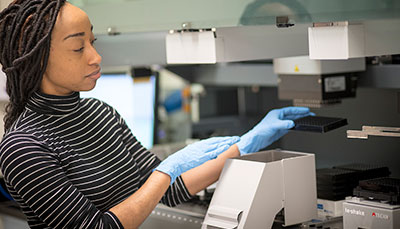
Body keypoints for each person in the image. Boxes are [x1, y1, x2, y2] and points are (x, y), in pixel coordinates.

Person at [0, 0, 313, 228]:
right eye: (79, 48)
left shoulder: (100, 113)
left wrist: (244, 147)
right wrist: (165, 172)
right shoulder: (24, 148)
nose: (96, 57)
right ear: (34, 58)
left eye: (93, 43)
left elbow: (168, 190)